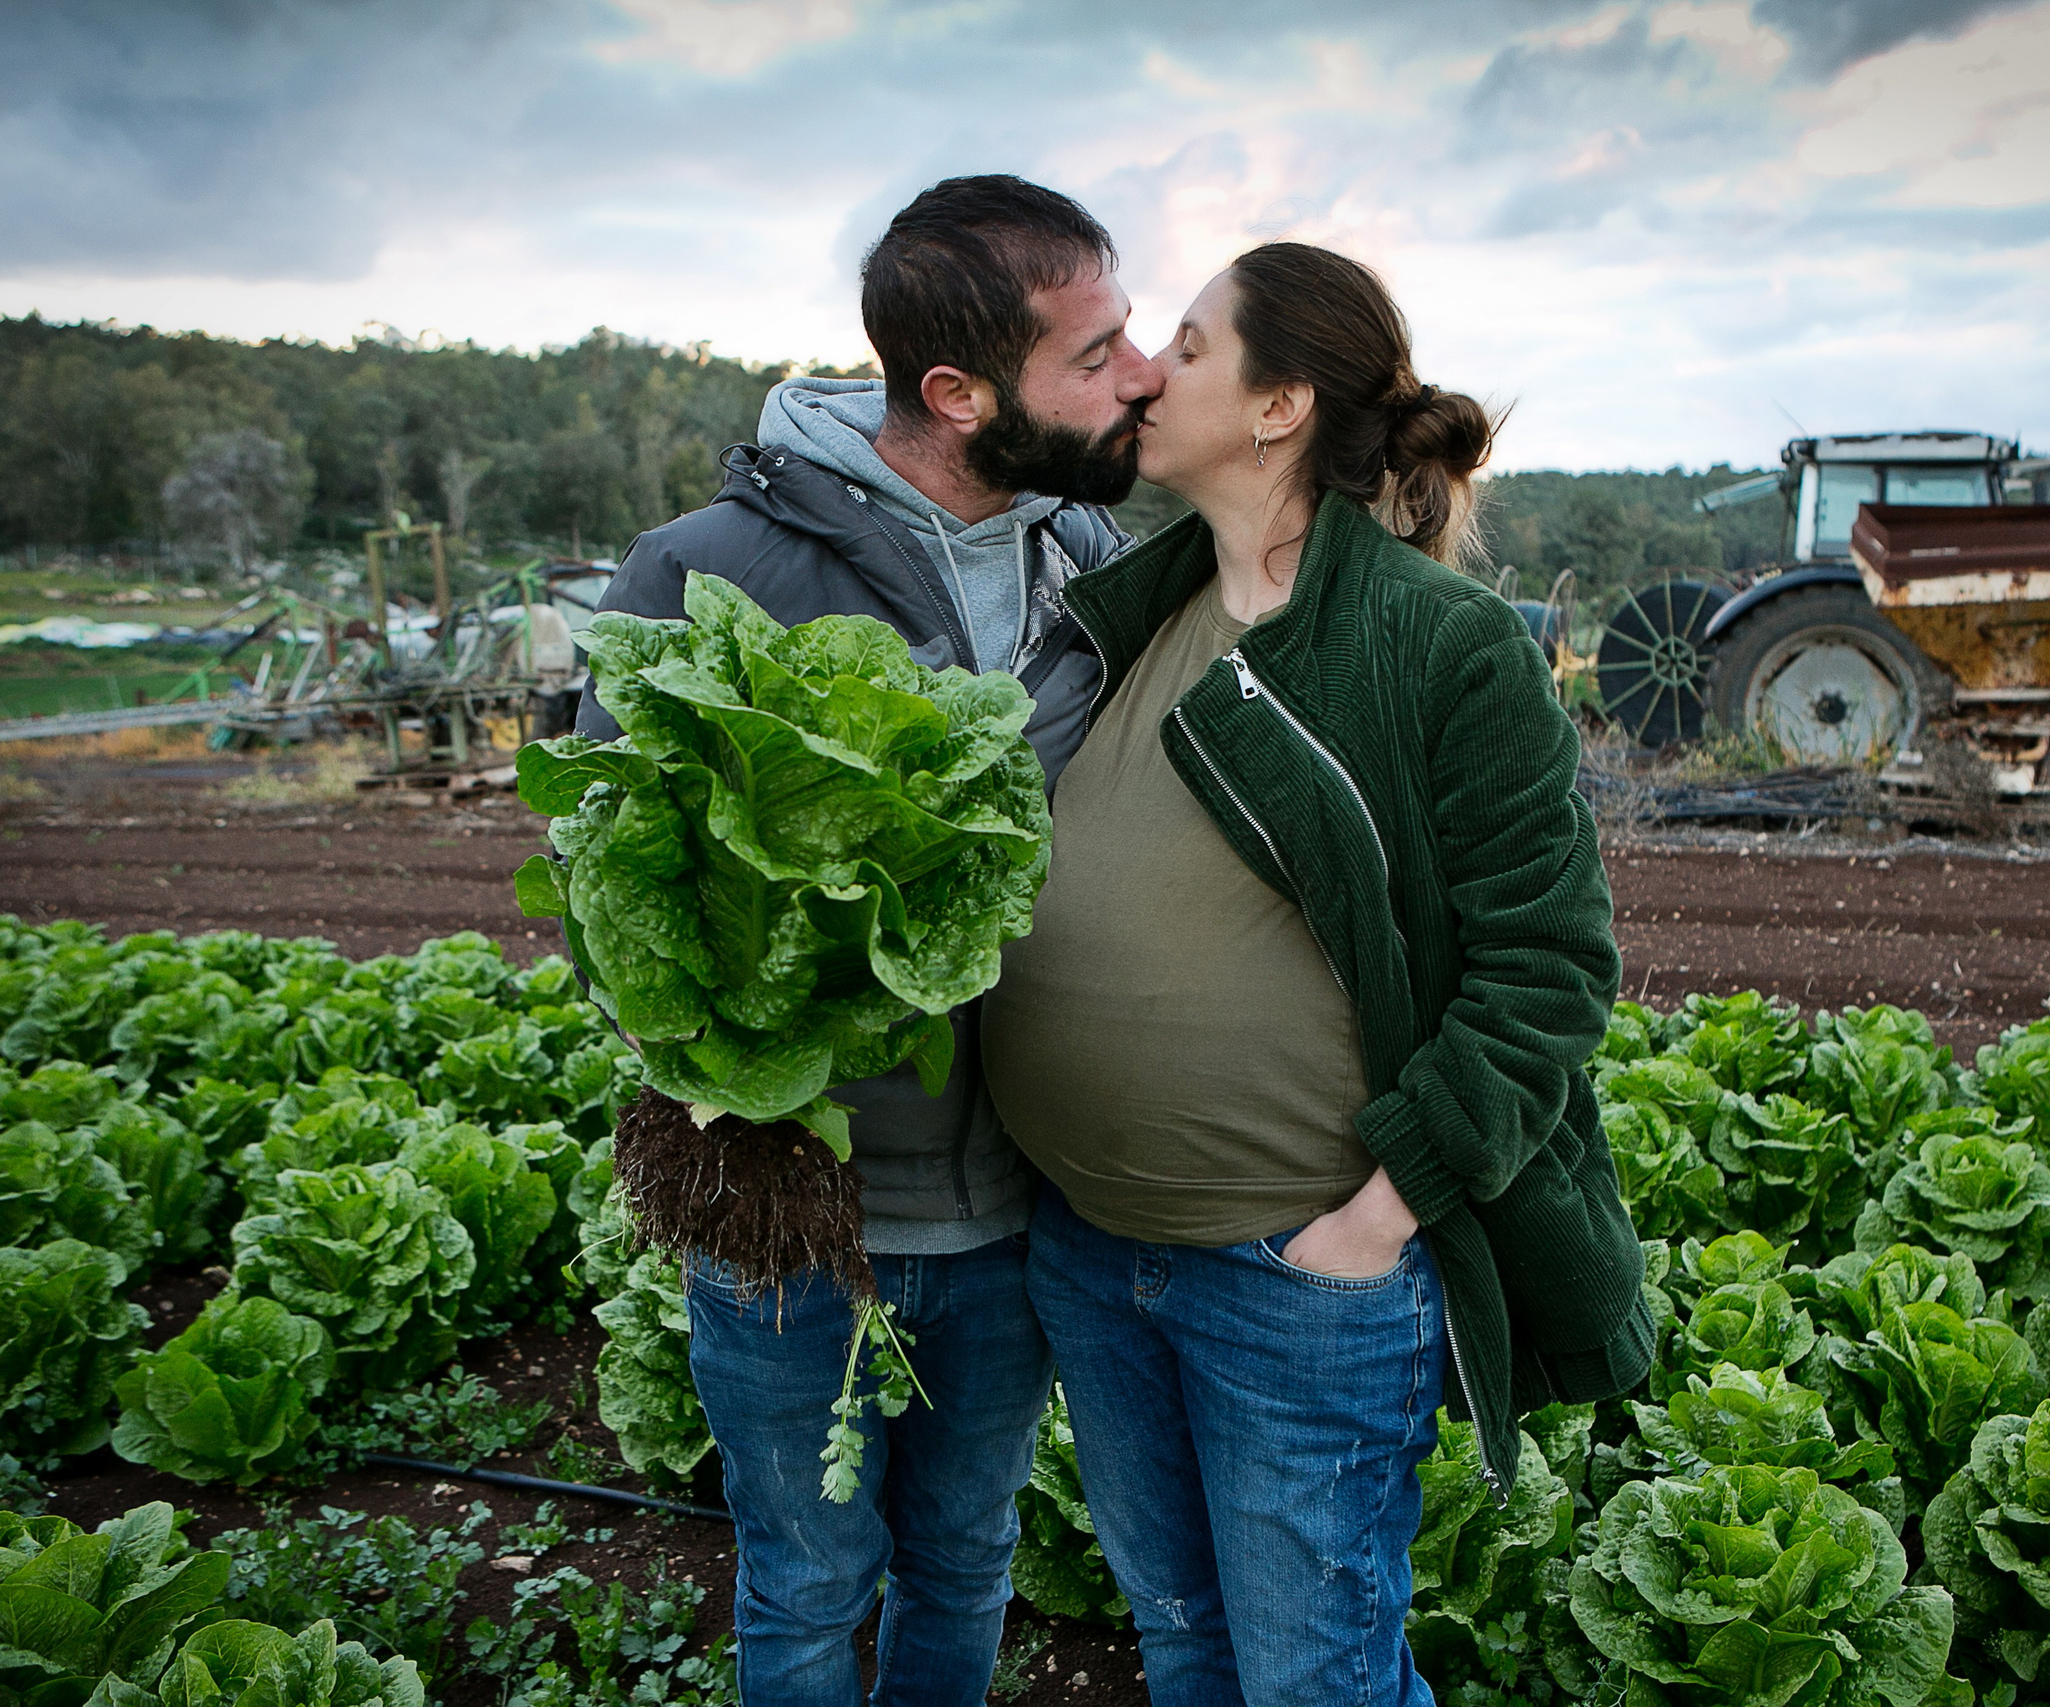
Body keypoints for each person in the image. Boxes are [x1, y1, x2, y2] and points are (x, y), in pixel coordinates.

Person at [982, 242, 1651, 1706]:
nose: (1148, 372)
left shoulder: (1438, 641)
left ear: (1282, 405)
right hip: (1099, 1255)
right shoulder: (1122, 620)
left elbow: (1549, 969)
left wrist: (1373, 1218)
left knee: (1314, 1684)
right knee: (1189, 1650)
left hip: (1296, 1277)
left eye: (1191, 346)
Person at [575, 175, 1160, 1707]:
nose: (1142, 376)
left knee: (964, 1561)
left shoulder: (1100, 569)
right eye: (1095, 356)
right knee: (808, 1580)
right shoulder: (701, 571)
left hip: (1025, 1204)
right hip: (792, 1207)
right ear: (959, 393)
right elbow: (607, 899)